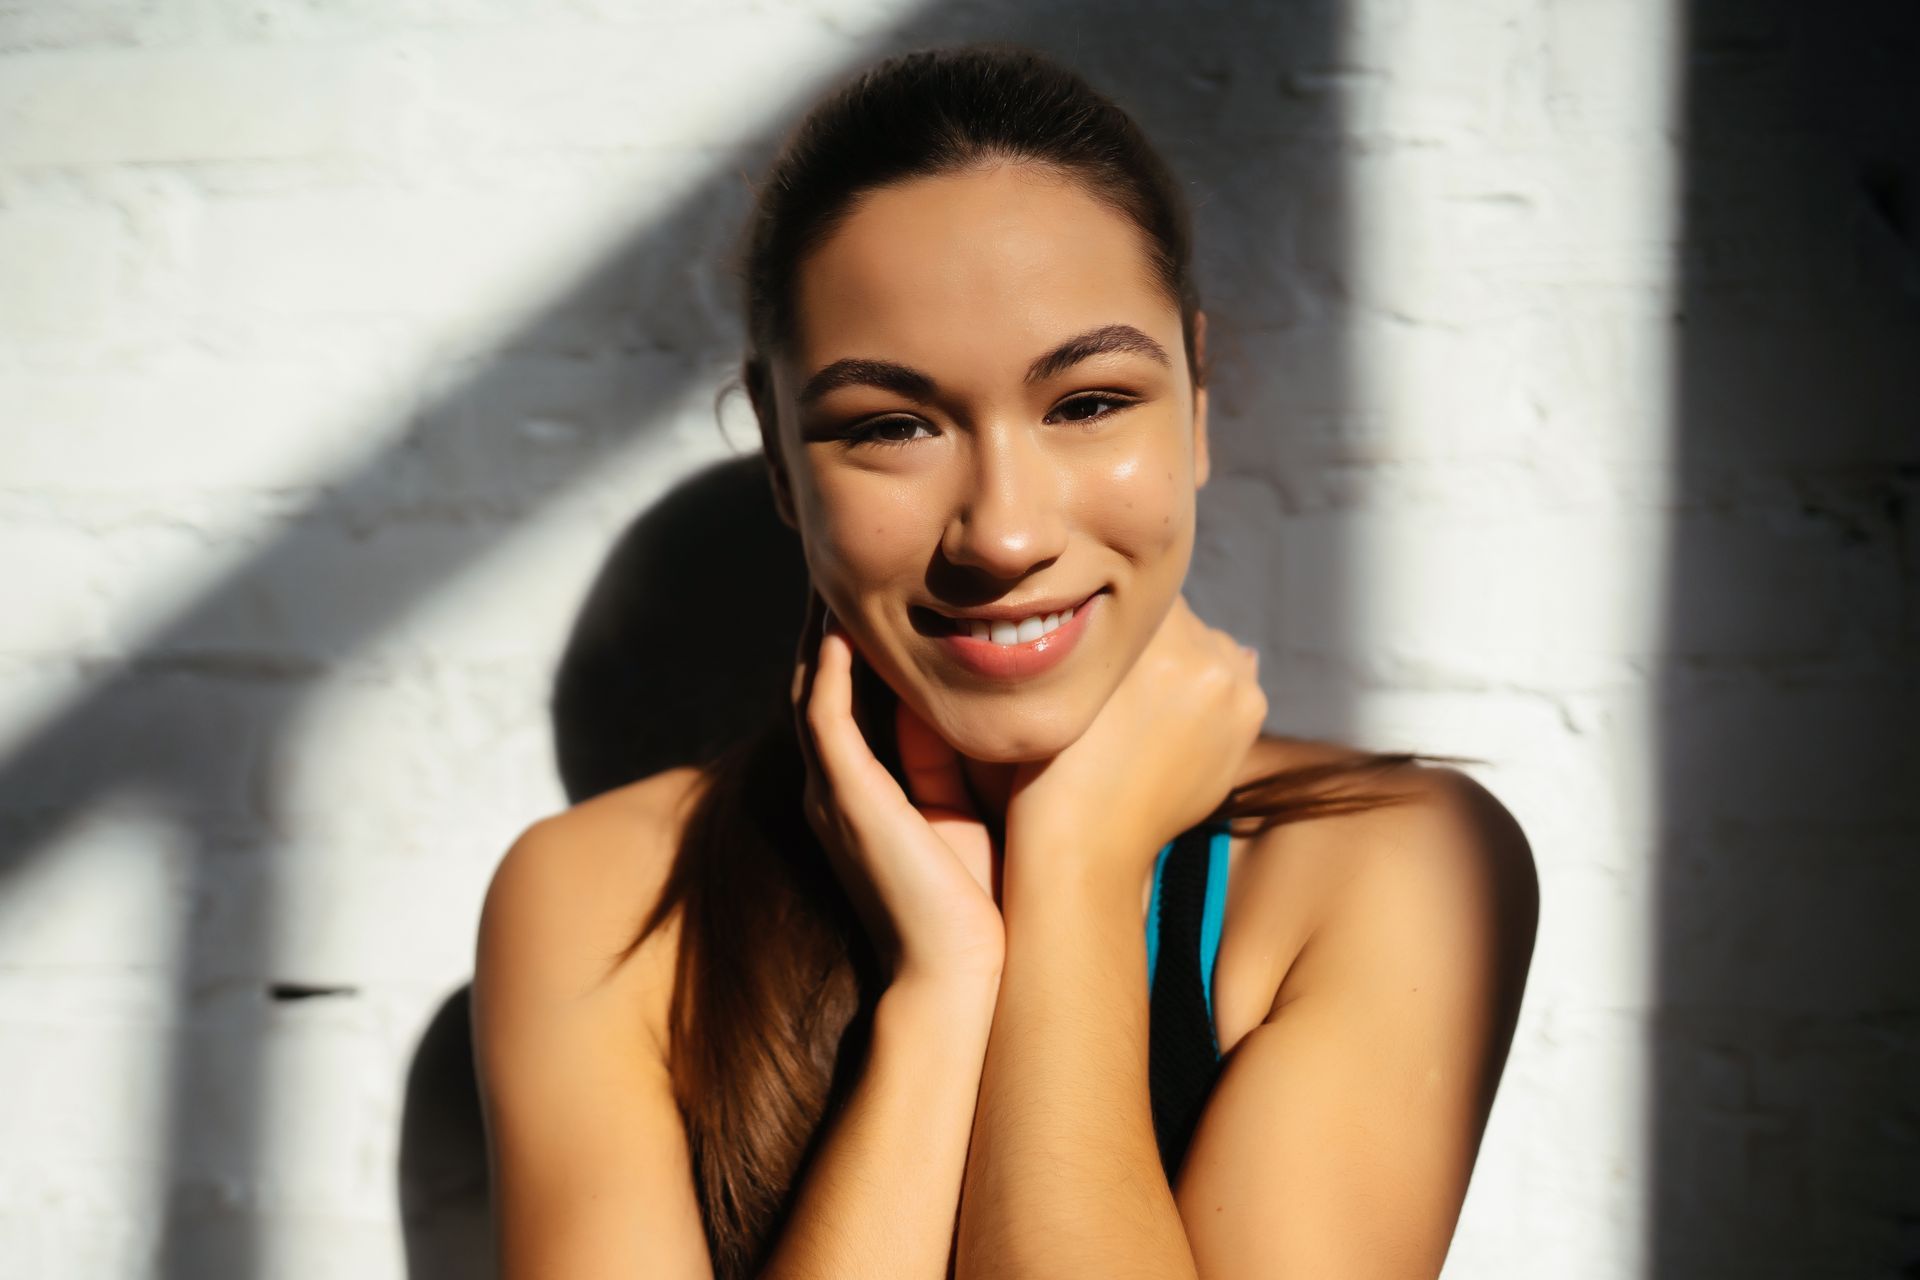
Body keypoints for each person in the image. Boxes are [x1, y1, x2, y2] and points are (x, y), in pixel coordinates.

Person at [471, 42, 1539, 1280]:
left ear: (1195, 402)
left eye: (1087, 401)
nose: (1006, 531)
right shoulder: (606, 900)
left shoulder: (1394, 867)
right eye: (891, 426)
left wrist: (1079, 877)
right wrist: (937, 998)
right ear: (779, 454)